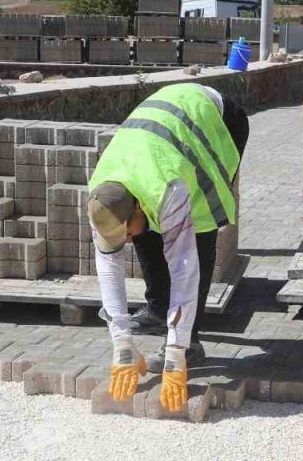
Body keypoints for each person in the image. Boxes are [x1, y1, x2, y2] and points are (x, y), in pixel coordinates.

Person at [87, 82, 248, 411]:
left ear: (135, 206)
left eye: (125, 232)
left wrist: (174, 355)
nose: (124, 242)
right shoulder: (101, 194)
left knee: (199, 231)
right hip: (161, 140)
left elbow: (184, 267)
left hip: (216, 121)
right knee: (144, 232)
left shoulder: (167, 188)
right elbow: (109, 265)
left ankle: (190, 342)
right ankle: (162, 310)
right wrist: (122, 345)